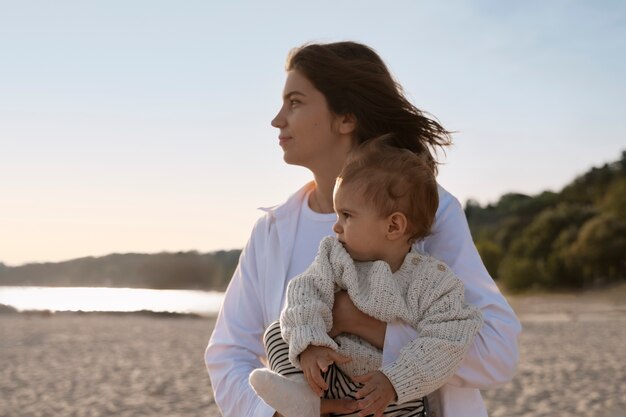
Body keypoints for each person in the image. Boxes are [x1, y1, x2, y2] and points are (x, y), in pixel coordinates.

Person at [205, 41, 521, 417]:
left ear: (346, 118)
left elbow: (497, 352)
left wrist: (358, 322)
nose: (277, 119)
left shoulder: (424, 211)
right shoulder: (271, 231)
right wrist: (273, 413)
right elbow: (229, 353)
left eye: (295, 102)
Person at [248, 136, 484, 417]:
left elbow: (448, 340)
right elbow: (304, 292)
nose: (336, 227)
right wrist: (310, 344)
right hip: (326, 375)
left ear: (394, 225)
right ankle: (300, 396)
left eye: (347, 215)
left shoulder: (433, 281)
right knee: (278, 330)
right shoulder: (334, 256)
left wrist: (395, 382)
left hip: (386, 392)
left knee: (413, 400)